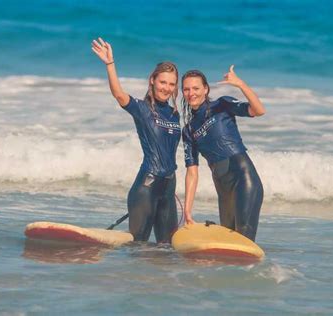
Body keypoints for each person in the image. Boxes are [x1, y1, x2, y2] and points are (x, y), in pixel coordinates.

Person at [91, 37, 180, 243]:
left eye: (171, 84)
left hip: (168, 190)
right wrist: (110, 64)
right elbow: (118, 94)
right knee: (138, 249)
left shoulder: (174, 114)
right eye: (163, 82)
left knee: (167, 250)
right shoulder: (142, 108)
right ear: (152, 80)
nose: (166, 88)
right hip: (146, 188)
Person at [181, 66, 265, 241]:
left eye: (196, 88)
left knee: (243, 239)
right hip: (223, 189)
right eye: (186, 89)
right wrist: (187, 211)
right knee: (229, 243)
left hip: (243, 179)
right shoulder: (189, 130)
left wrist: (240, 84)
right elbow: (192, 172)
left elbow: (258, 111)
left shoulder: (222, 105)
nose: (191, 93)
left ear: (205, 89)